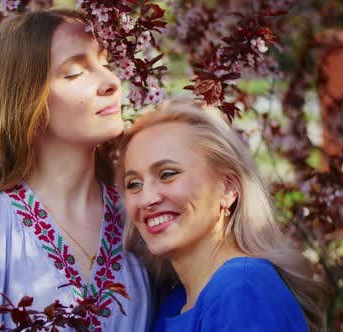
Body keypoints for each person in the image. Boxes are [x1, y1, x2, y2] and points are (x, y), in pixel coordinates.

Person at [0, 9, 153, 332]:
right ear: (25, 99)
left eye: (105, 64)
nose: (110, 82)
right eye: (75, 73)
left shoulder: (139, 217)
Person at [117, 100, 327, 331]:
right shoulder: (177, 301)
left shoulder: (242, 290)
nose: (147, 199)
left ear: (228, 188)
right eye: (134, 184)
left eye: (168, 174)